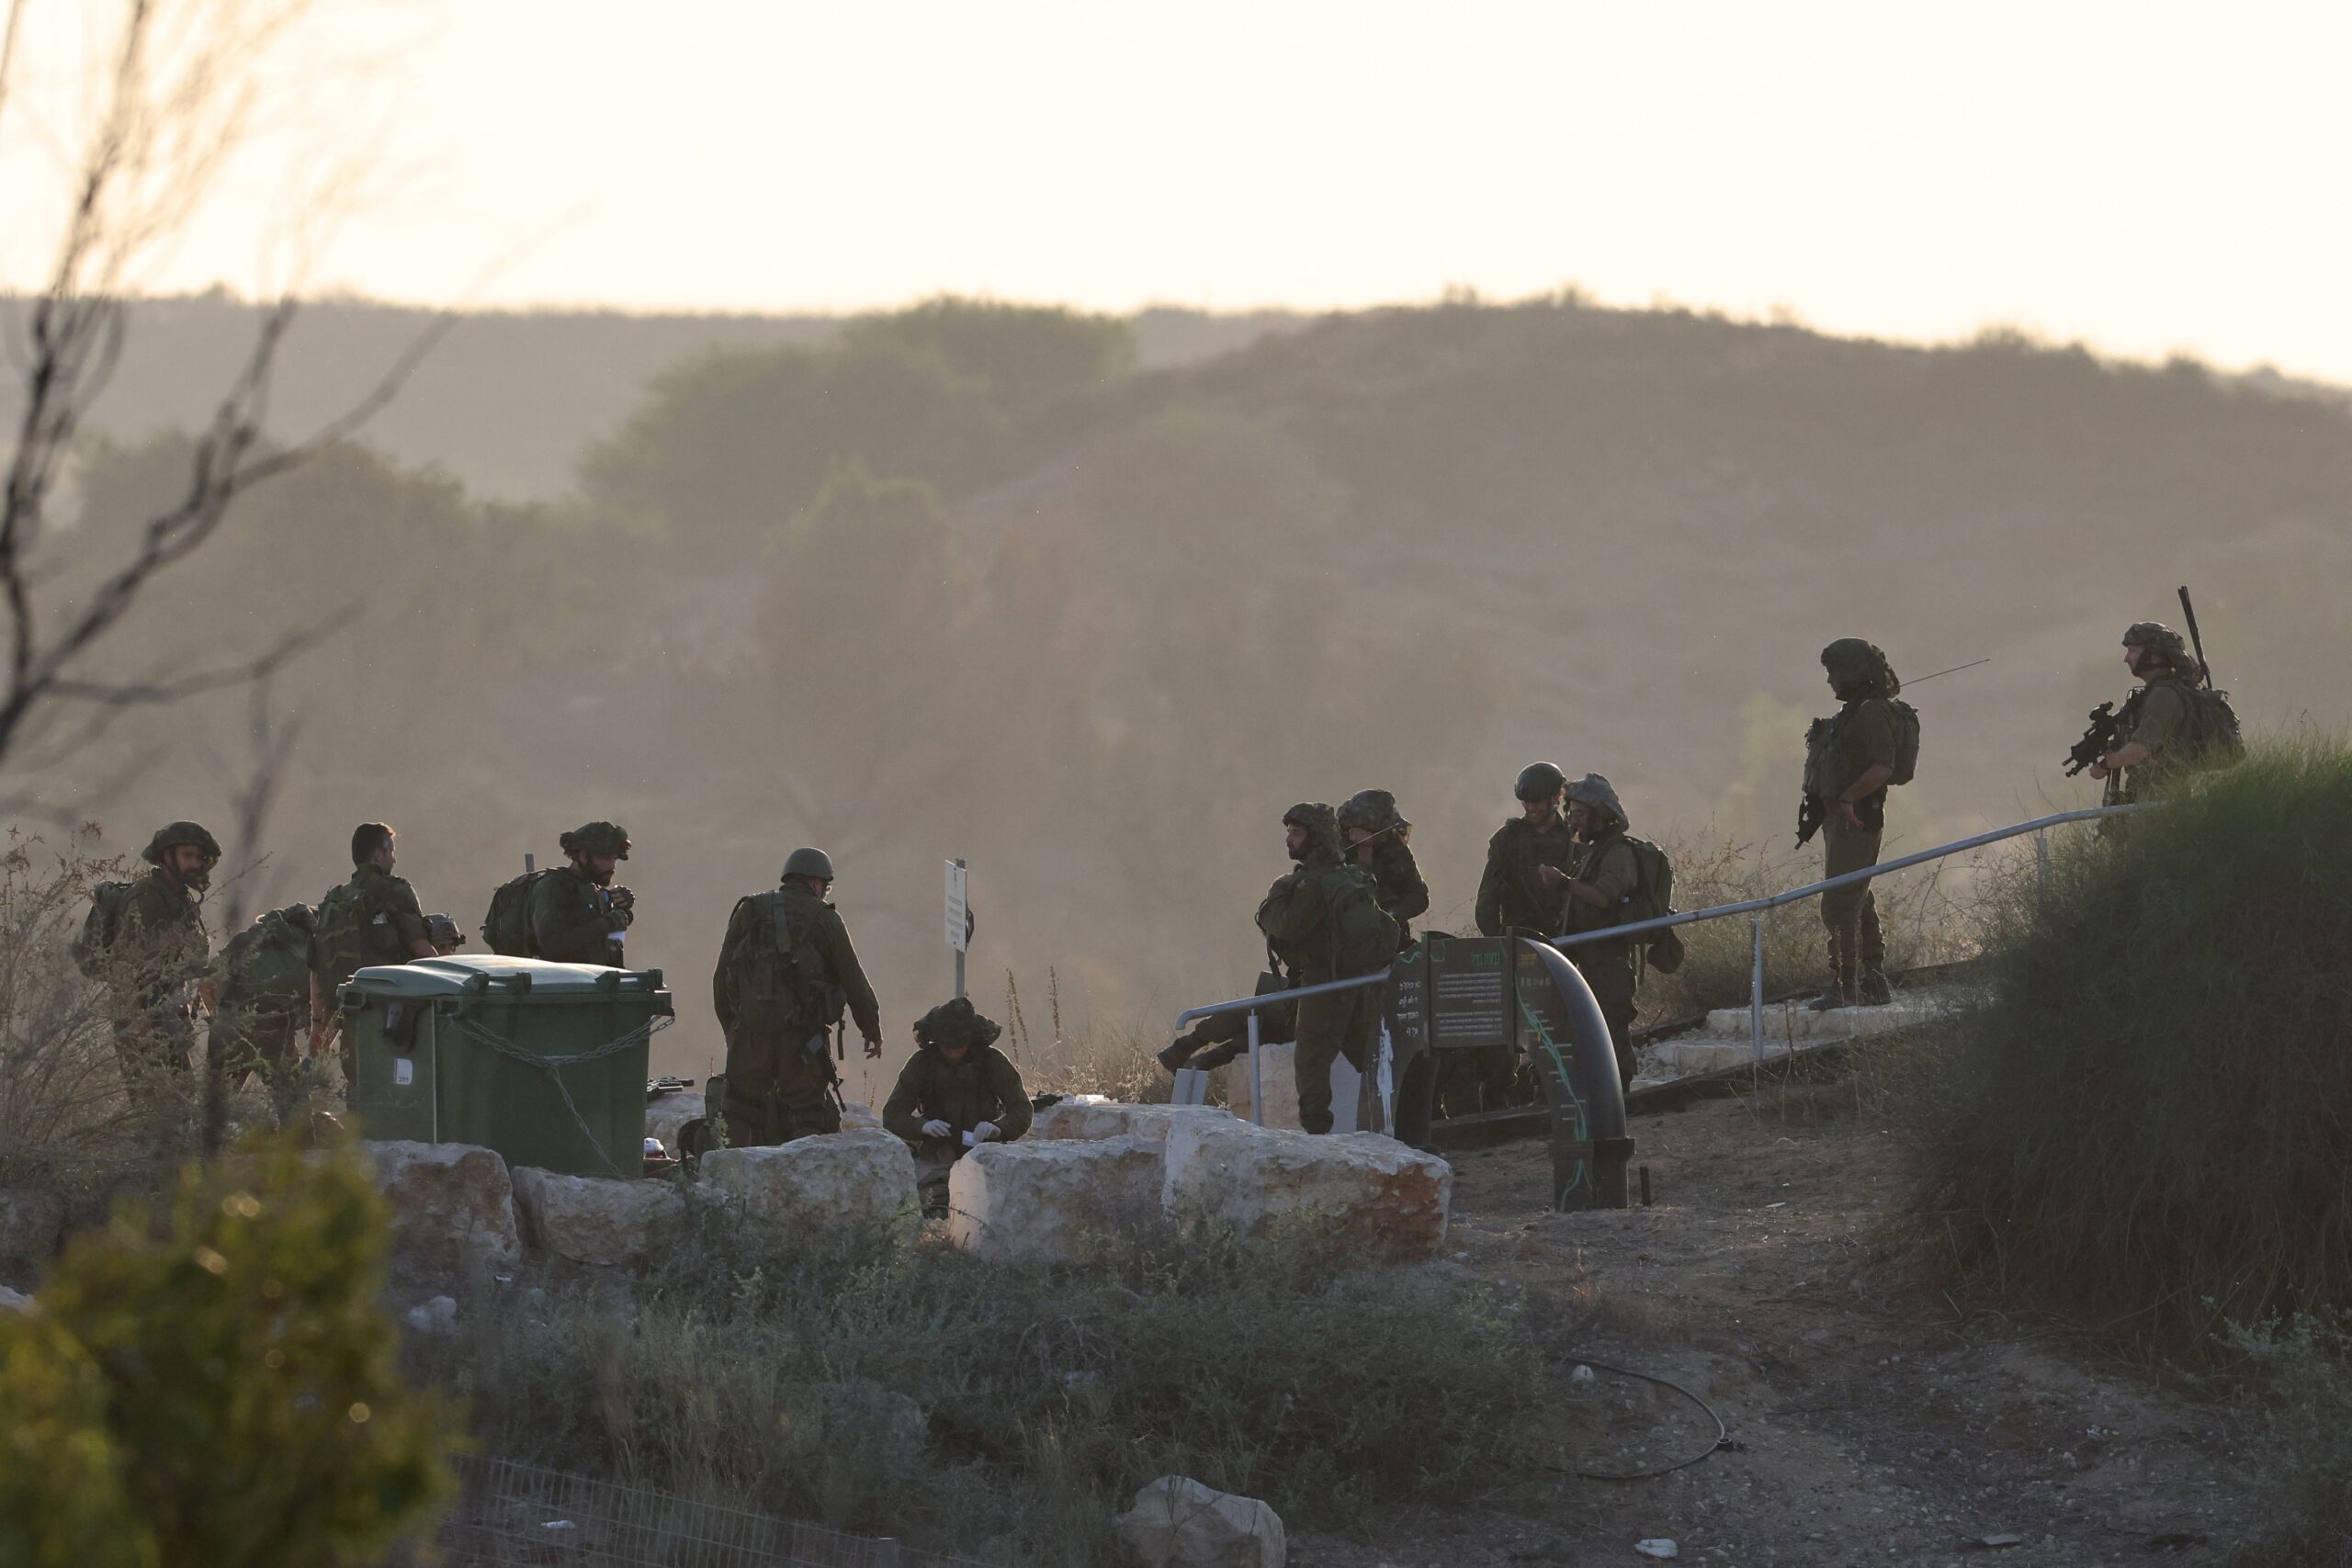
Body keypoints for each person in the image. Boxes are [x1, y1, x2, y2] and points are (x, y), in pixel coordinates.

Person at [710, 846, 882, 1146]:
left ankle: (727, 1176)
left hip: (750, 1033)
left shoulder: (750, 910)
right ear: (816, 883)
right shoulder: (826, 919)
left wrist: (732, 1028)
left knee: (739, 1107)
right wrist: (871, 1030)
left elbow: (722, 976)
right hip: (803, 1039)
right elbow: (854, 981)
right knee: (806, 1112)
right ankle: (803, 1183)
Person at [1257, 802, 1393, 1134]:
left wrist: (1276, 896)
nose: (1289, 839)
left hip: (1324, 984)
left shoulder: (1312, 883)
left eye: (1297, 833)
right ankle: (1412, 1125)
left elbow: (1287, 927)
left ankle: (1318, 1142)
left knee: (1311, 1065)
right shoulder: (1345, 875)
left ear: (1316, 838)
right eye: (1288, 832)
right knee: (1371, 1059)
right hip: (1357, 984)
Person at [103, 821, 220, 1137]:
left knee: (180, 1103)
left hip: (167, 1014)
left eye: (199, 858)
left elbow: (185, 965)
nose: (195, 864)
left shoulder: (179, 898)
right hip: (143, 1016)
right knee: (155, 1110)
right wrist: (138, 1020)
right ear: (168, 856)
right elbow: (123, 964)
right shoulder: (147, 898)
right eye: (188, 856)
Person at [1804, 639, 1903, 1010]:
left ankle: (1846, 984)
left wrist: (1848, 798)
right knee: (1858, 898)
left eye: (1835, 672)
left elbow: (1883, 767)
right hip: (1842, 819)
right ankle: (1873, 981)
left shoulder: (1873, 713)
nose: (1830, 680)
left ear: (1853, 673)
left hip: (1857, 817)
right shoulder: (1856, 710)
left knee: (1839, 903)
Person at [309, 822, 436, 1086]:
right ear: (378, 855)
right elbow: (421, 950)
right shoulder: (394, 891)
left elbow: (317, 971)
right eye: (391, 851)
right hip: (395, 1030)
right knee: (403, 1105)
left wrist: (318, 1025)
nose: (395, 858)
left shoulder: (335, 902)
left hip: (352, 1029)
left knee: (360, 1104)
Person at [882, 997, 1032, 1216]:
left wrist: (998, 1128)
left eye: (958, 1047)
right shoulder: (922, 1064)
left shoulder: (992, 1061)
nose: (952, 1053)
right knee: (932, 1203)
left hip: (985, 1153)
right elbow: (893, 1114)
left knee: (993, 1205)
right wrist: (922, 1126)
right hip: (937, 1157)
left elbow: (1022, 1110)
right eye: (947, 1047)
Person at [1559, 773, 1642, 1090]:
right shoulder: (1595, 850)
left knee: (1612, 1027)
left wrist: (1565, 883)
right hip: (1589, 956)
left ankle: (1620, 1096)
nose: (1574, 820)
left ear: (1600, 815)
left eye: (1580, 814)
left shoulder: (1618, 853)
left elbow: (1603, 898)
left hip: (1608, 959)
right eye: (1573, 813)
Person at [2087, 622, 2211, 804]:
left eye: (2132, 651)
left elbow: (2141, 748)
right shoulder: (2154, 694)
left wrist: (2107, 764)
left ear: (2152, 655)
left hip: (2163, 798)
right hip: (2151, 795)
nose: (2126, 659)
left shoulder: (2164, 696)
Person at [1475, 762, 1577, 938]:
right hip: (1519, 939)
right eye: (1526, 802)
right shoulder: (1507, 839)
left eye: (1536, 802)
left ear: (1556, 798)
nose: (1531, 808)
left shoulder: (1573, 837)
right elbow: (1487, 901)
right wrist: (1499, 945)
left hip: (1565, 938)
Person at [529, 820, 635, 965]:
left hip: (592, 982)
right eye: (606, 858)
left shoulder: (592, 891)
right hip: (558, 983)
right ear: (584, 856)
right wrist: (608, 922)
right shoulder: (553, 887)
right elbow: (552, 946)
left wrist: (621, 909)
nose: (612, 866)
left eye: (614, 858)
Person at [1339, 788, 1428, 947]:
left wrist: (1390, 916)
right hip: (1345, 943)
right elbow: (1357, 899)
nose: (1386, 836)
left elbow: (1419, 896)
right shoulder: (1336, 850)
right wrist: (1365, 851)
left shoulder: (1394, 846)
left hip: (1391, 939)